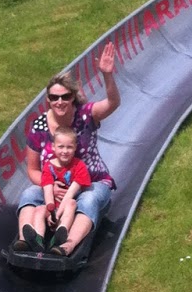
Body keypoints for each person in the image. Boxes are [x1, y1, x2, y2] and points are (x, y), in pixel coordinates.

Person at [15, 41, 120, 255]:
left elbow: (113, 103)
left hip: (90, 182)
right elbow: (33, 169)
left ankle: (67, 245)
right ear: (48, 100)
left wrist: (107, 75)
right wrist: (51, 188)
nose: (60, 102)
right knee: (28, 194)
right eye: (54, 97)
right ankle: (25, 239)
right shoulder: (39, 127)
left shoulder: (85, 115)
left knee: (88, 199)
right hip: (54, 187)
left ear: (72, 97)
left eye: (65, 97)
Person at [40, 128, 91, 248]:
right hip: (52, 206)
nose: (65, 151)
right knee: (38, 210)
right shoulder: (48, 166)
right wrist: (51, 210)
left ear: (75, 147)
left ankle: (61, 234)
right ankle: (37, 238)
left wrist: (57, 216)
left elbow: (70, 193)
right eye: (61, 147)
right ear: (53, 147)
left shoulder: (79, 166)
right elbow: (47, 190)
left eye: (69, 147)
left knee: (71, 203)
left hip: (66, 206)